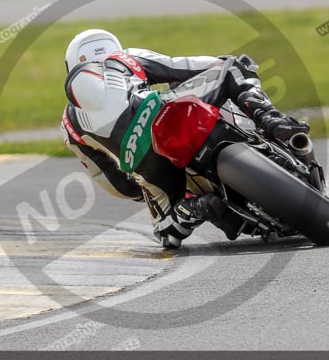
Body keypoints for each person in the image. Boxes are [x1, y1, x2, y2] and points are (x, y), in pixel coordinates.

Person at [60, 28, 310, 249]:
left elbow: (115, 184)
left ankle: (195, 208)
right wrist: (218, 64)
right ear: (114, 48)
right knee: (234, 66)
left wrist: (141, 188)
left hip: (142, 162)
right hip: (160, 110)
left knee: (165, 233)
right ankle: (272, 120)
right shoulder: (125, 58)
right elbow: (183, 66)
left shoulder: (69, 126)